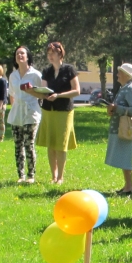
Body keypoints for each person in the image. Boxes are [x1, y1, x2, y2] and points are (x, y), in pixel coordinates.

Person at [37, 42, 80, 183]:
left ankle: (61, 177)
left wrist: (59, 95)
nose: (50, 56)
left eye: (52, 53)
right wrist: (38, 93)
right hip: (48, 110)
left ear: (60, 54)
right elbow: (44, 89)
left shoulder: (69, 70)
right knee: (51, 144)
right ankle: (53, 176)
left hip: (64, 111)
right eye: (48, 53)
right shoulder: (46, 71)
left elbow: (77, 91)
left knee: (61, 145)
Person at [105, 62, 132, 195]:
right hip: (122, 127)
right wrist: (112, 109)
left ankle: (129, 187)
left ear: (127, 75)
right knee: (123, 156)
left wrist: (118, 109)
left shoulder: (130, 88)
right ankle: (127, 185)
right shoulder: (125, 87)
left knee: (126, 156)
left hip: (128, 128)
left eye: (120, 72)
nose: (117, 74)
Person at [8, 45, 42, 183]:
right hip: (17, 113)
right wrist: (14, 107)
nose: (20, 56)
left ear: (28, 57)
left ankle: (31, 175)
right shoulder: (13, 75)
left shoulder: (36, 75)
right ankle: (20, 175)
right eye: (17, 54)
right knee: (18, 145)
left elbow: (42, 93)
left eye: (22, 53)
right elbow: (11, 94)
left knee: (29, 144)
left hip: (31, 112)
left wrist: (32, 92)